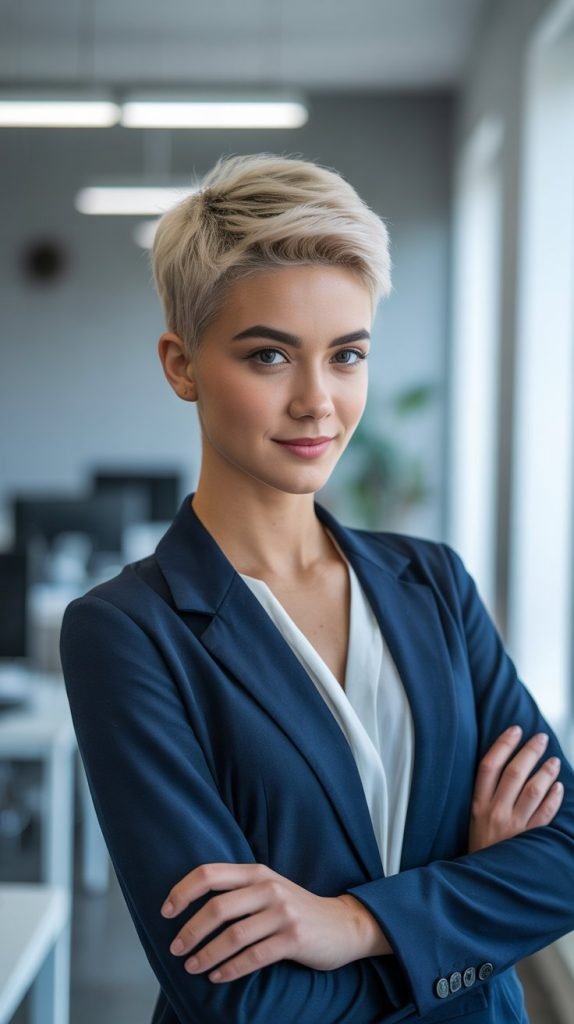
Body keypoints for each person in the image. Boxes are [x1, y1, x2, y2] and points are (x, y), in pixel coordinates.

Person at [60, 153, 574, 1024]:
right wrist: (470, 901)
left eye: (347, 356)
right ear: (181, 366)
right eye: (269, 356)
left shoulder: (433, 584)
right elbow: (241, 998)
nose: (318, 402)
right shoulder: (126, 632)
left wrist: (354, 923)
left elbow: (564, 857)